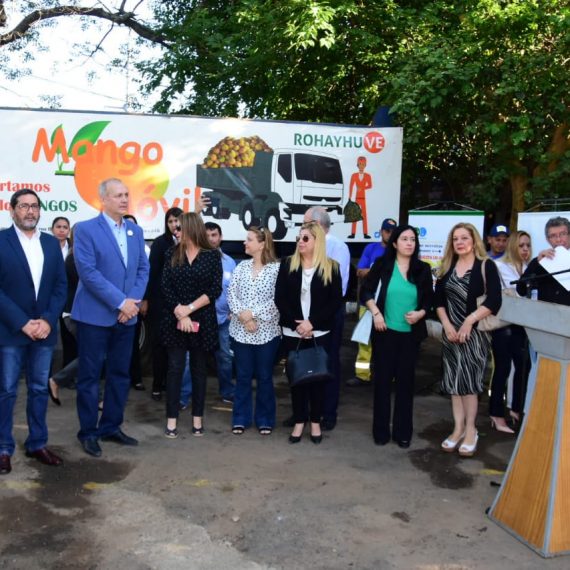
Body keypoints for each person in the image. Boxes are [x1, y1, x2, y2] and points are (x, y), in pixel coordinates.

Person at [72, 178, 150, 457]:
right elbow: (88, 273)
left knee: (119, 375)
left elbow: (142, 269)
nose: (124, 199)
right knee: (90, 376)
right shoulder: (85, 229)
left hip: (126, 318)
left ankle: (111, 426)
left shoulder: (135, 231)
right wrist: (121, 302)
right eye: (118, 195)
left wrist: (132, 303)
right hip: (94, 317)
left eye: (126, 194)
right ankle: (88, 432)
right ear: (103, 199)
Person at [0, 189, 67, 475]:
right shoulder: (1, 241)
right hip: (11, 331)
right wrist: (22, 322)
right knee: (6, 391)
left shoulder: (51, 244)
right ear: (12, 210)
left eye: (35, 206)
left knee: (39, 389)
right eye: (24, 206)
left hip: (44, 332)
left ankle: (37, 443)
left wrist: (48, 320)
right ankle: (3, 449)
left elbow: (60, 286)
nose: (30, 211)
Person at [360, 225, 433, 448]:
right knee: (382, 383)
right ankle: (381, 431)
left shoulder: (422, 269)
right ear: (394, 243)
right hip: (385, 333)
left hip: (410, 336)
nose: (409, 243)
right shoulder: (382, 264)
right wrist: (376, 313)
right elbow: (366, 291)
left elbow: (429, 300)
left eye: (413, 239)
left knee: (405, 385)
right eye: (404, 239)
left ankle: (403, 433)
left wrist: (420, 313)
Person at [434, 223, 502, 457]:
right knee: (454, 383)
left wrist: (469, 321)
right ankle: (458, 428)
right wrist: (447, 326)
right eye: (455, 239)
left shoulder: (486, 266)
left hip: (475, 335)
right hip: (451, 334)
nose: (460, 242)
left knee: (469, 384)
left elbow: (494, 300)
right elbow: (438, 301)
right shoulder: (447, 266)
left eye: (464, 238)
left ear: (474, 241)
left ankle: (471, 430)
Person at [276, 222, 342, 444]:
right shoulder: (287, 264)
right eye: (299, 238)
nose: (300, 242)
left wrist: (312, 323)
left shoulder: (331, 267)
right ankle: (299, 421)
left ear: (317, 241)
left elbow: (335, 301)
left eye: (306, 238)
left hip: (319, 333)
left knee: (318, 380)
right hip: (293, 332)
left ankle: (315, 422)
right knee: (297, 379)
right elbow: (280, 298)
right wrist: (298, 325)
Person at [161, 212, 222, 439]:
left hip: (202, 320)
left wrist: (189, 309)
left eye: (180, 228)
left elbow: (214, 289)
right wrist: (180, 312)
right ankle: (171, 419)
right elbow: (165, 286)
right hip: (175, 319)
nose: (176, 231)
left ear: (191, 229)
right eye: (175, 228)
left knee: (199, 371)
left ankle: (198, 419)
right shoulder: (171, 253)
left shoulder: (211, 256)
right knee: (175, 369)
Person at [227, 227, 281, 435]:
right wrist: (243, 316)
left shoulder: (276, 269)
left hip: (267, 333)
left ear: (262, 244)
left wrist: (252, 314)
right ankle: (240, 418)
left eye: (249, 239)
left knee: (265, 376)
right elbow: (231, 294)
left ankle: (265, 419)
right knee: (242, 376)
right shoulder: (241, 267)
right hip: (241, 331)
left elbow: (277, 300)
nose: (245, 243)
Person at [302, 207, 350, 431]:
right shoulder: (304, 243)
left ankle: (327, 413)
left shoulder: (338, 247)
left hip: (328, 315)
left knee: (328, 363)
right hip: (305, 315)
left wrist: (316, 317)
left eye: (305, 223)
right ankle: (303, 412)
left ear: (317, 225)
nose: (302, 228)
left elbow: (338, 288)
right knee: (304, 363)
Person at [348, 217, 397, 387]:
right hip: (368, 303)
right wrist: (378, 270)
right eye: (387, 231)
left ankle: (389, 375)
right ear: (381, 231)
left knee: (390, 343)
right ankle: (362, 375)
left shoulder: (399, 250)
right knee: (364, 341)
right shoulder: (371, 248)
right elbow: (360, 271)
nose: (390, 234)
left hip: (391, 304)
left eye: (393, 232)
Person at [491, 231, 532, 430]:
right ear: (513, 246)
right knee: (503, 368)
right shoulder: (499, 266)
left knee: (524, 366)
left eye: (528, 245)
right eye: (521, 245)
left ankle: (517, 409)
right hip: (503, 324)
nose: (525, 249)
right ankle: (496, 413)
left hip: (522, 325)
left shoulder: (529, 268)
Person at [143, 207, 184, 401]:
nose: (174, 225)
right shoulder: (160, 243)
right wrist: (146, 299)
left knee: (176, 347)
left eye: (177, 220)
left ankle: (172, 385)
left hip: (181, 304)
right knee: (159, 345)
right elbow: (151, 273)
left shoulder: (189, 242)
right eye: (170, 221)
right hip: (160, 303)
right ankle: (157, 385)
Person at [48, 224, 80, 405]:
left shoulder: (79, 256)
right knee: (93, 354)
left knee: (93, 354)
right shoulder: (74, 258)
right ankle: (57, 379)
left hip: (80, 313)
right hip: (74, 314)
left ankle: (57, 380)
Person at [205, 222, 237, 403]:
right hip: (201, 320)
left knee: (225, 357)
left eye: (214, 235)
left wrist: (232, 311)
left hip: (223, 320)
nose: (211, 239)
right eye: (207, 235)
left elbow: (235, 290)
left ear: (221, 237)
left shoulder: (230, 262)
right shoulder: (196, 260)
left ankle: (227, 392)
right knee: (193, 358)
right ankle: (185, 395)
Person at [516, 216, 570, 305]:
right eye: (553, 236)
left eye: (563, 234)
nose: (558, 239)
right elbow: (521, 290)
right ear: (547, 240)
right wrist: (537, 263)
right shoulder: (540, 261)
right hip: (544, 312)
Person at [51, 216, 76, 369]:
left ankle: (68, 373)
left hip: (69, 301)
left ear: (69, 231)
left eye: (65, 227)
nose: (61, 230)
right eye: (58, 227)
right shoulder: (46, 246)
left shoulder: (74, 248)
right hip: (51, 298)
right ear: (52, 229)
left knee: (69, 338)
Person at [347, 156, 373, 239]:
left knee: (364, 216)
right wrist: (350, 197)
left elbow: (370, 185)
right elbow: (351, 186)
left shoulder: (367, 176)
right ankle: (353, 233)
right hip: (357, 198)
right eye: (360, 164)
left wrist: (363, 188)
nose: (361, 166)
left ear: (365, 165)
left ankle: (365, 234)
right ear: (357, 165)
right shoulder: (354, 175)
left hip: (363, 198)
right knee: (355, 215)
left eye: (363, 164)